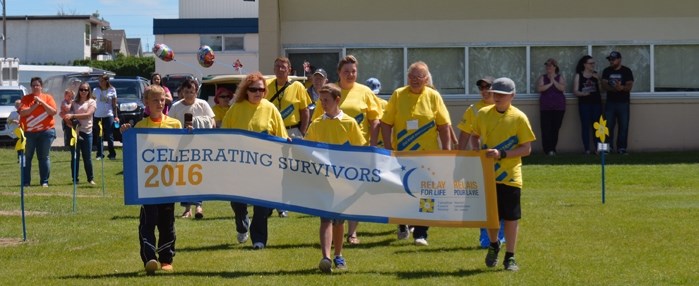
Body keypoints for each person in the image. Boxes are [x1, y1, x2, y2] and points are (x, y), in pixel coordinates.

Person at [313, 55, 383, 245]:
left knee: (355, 192)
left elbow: (375, 121)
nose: (350, 74)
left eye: (353, 71)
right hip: (331, 153)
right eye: (346, 71)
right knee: (334, 194)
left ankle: (351, 233)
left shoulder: (365, 92)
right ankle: (333, 229)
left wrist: (372, 147)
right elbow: (317, 120)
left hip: (357, 150)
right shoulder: (330, 91)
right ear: (339, 73)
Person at [381, 61, 452, 246]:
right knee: (402, 192)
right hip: (402, 155)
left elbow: (444, 126)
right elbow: (386, 123)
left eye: (419, 77)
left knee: (427, 193)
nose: (415, 80)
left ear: (427, 79)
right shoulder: (398, 95)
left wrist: (447, 152)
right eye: (411, 76)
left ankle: (421, 233)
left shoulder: (434, 96)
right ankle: (403, 223)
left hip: (427, 156)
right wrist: (388, 148)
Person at [470, 77, 536, 272]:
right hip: (488, 175)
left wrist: (503, 154)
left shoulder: (519, 117)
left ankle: (510, 256)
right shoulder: (482, 114)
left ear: (512, 96)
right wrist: (476, 151)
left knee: (511, 217)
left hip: (511, 176)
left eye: (502, 94)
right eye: (494, 93)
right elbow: (474, 135)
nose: (496, 97)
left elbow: (526, 149)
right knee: (491, 216)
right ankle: (493, 244)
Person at [221, 71, 288, 250]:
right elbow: (224, 134)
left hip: (264, 167)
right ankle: (242, 224)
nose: (258, 93)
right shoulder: (236, 108)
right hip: (239, 166)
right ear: (246, 90)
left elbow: (281, 135)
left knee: (262, 205)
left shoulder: (271, 108)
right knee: (237, 202)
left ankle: (259, 239)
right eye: (253, 89)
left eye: (261, 89)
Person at [119, 85, 179, 275]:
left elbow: (186, 150)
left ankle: (166, 259)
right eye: (155, 100)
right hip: (148, 185)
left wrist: (190, 133)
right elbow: (133, 153)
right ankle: (149, 258)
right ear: (146, 103)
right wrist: (125, 134)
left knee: (167, 223)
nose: (160, 103)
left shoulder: (175, 124)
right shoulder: (140, 127)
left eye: (162, 100)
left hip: (169, 183)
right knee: (148, 222)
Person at [305, 83, 365, 273]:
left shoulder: (350, 123)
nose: (322, 104)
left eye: (326, 100)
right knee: (325, 219)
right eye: (321, 101)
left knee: (339, 220)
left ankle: (339, 255)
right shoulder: (316, 124)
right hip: (323, 179)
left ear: (337, 100)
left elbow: (360, 151)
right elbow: (306, 148)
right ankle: (326, 257)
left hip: (344, 180)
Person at [457, 76, 506, 248]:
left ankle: (501, 236)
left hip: (504, 161)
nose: (484, 91)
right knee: (484, 200)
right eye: (481, 88)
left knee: (502, 199)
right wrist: (458, 155)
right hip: (483, 162)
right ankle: (486, 237)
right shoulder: (474, 109)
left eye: (488, 87)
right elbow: (465, 133)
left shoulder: (503, 106)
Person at [267, 57, 312, 218]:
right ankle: (272, 203)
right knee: (273, 170)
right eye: (277, 66)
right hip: (273, 134)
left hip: (292, 132)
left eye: (283, 67)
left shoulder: (297, 86)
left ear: (289, 69)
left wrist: (302, 132)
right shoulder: (267, 86)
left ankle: (285, 204)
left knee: (289, 170)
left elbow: (305, 110)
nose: (280, 69)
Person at [169, 79, 216, 219]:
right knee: (184, 176)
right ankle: (187, 208)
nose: (189, 94)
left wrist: (197, 123)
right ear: (182, 92)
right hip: (181, 146)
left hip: (199, 146)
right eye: (187, 91)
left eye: (192, 92)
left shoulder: (203, 104)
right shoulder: (176, 107)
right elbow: (170, 124)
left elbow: (212, 123)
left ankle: (199, 206)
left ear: (196, 92)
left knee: (198, 176)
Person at [19, 77, 57, 187]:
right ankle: (26, 182)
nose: (35, 87)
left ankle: (44, 181)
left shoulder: (48, 98)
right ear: (30, 87)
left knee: (44, 157)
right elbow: (23, 113)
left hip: (46, 132)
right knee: (27, 157)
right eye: (33, 85)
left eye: (37, 85)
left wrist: (42, 102)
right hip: (29, 133)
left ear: (41, 87)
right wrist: (35, 104)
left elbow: (53, 112)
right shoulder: (26, 99)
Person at [63, 82, 97, 185]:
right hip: (75, 132)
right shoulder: (74, 102)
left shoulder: (92, 102)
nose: (83, 92)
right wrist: (68, 121)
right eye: (81, 89)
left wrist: (73, 116)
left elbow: (88, 115)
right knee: (75, 156)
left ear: (88, 91)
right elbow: (66, 114)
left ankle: (90, 178)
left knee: (87, 157)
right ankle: (75, 179)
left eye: (85, 90)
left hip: (87, 132)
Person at [602, 51, 634, 154]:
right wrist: (615, 88)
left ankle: (621, 148)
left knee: (623, 126)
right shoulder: (606, 71)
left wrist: (622, 87)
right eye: (610, 59)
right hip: (610, 103)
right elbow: (604, 85)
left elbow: (629, 85)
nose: (611, 61)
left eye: (613, 59)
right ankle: (607, 148)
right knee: (608, 126)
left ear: (619, 59)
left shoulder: (626, 71)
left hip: (623, 103)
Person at [573, 55, 603, 154]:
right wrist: (583, 94)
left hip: (596, 103)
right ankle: (587, 149)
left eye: (593, 63)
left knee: (597, 126)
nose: (592, 65)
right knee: (585, 126)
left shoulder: (596, 75)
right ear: (585, 64)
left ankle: (598, 149)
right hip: (584, 104)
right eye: (590, 63)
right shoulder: (579, 75)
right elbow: (575, 91)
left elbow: (602, 90)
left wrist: (598, 80)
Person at [536, 58, 566, 156]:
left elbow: (562, 88)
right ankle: (547, 150)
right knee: (545, 129)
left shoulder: (560, 77)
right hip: (545, 107)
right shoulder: (542, 78)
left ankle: (553, 149)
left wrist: (554, 80)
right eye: (547, 65)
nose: (548, 67)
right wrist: (550, 83)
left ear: (555, 67)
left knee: (555, 128)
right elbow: (540, 88)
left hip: (559, 107)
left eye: (550, 65)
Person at [92, 74, 118, 160]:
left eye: (102, 81)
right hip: (98, 115)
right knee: (99, 135)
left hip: (108, 115)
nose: (100, 82)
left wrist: (116, 116)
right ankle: (100, 154)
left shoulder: (112, 90)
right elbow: (92, 102)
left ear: (107, 81)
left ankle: (112, 154)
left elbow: (114, 105)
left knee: (109, 135)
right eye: (99, 81)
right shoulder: (95, 90)